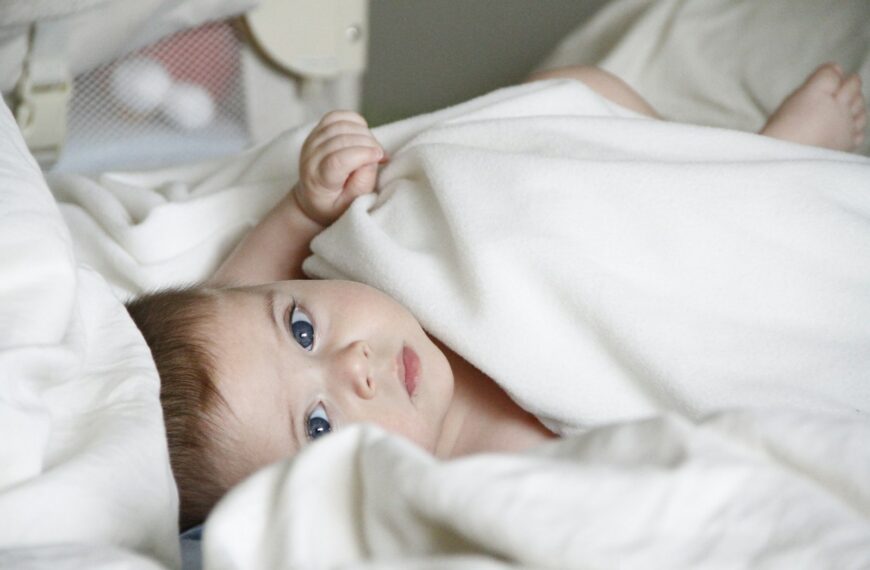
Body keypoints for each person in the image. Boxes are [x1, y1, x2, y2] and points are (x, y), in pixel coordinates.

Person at [125, 63, 867, 531]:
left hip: (617, 230)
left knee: (590, 98)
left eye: (303, 329)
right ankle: (784, 169)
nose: (354, 363)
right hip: (696, 342)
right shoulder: (466, 492)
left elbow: (234, 293)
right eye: (318, 425)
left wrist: (305, 206)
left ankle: (745, 164)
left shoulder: (391, 276)